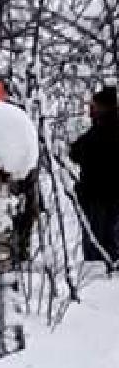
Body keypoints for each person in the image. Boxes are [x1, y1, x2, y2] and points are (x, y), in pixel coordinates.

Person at [70, 86, 119, 262]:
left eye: (94, 106)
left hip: (97, 195)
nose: (91, 110)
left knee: (96, 243)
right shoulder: (101, 128)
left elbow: (76, 152)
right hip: (107, 195)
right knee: (111, 239)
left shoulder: (101, 131)